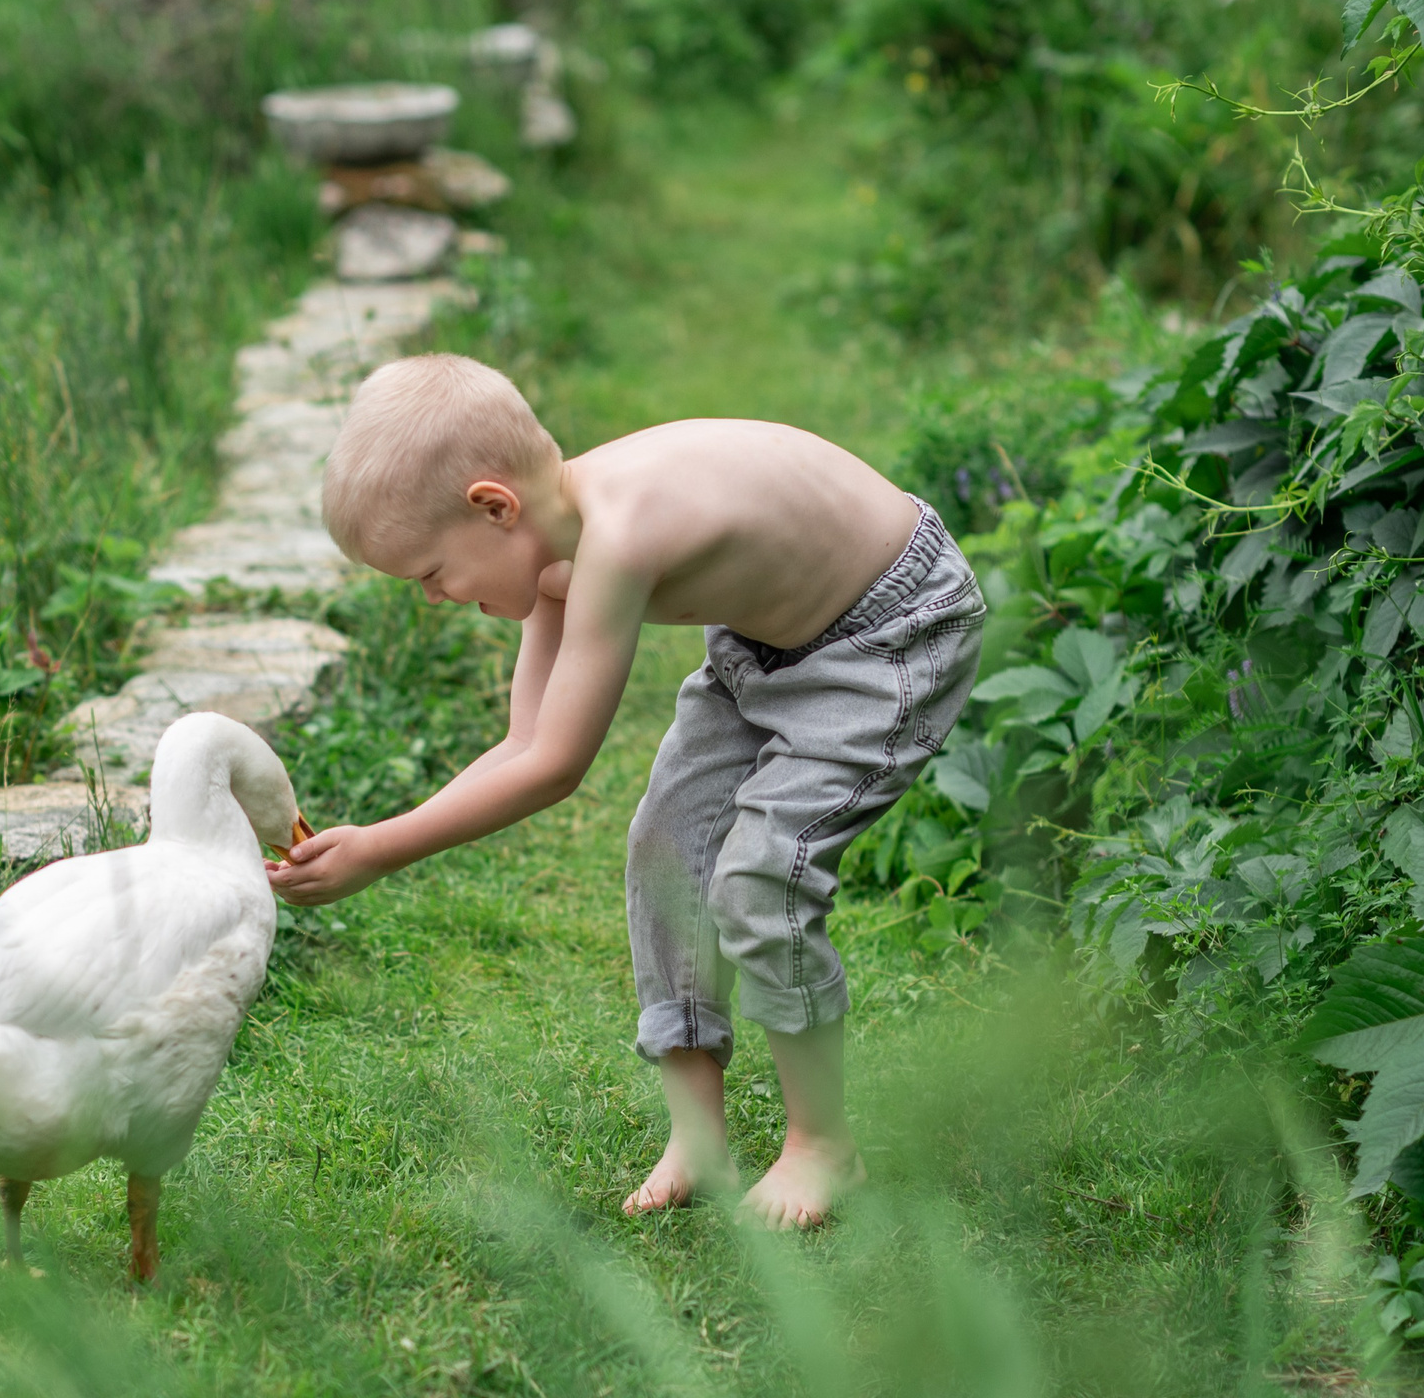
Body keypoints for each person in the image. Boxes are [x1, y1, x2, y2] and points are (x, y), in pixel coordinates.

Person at [269, 354, 983, 1227]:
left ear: (494, 507)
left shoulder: (619, 534)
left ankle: (822, 1146)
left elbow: (556, 767)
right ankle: (698, 1136)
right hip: (767, 645)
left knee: (761, 875)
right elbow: (522, 742)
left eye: (429, 573)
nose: (432, 598)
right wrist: (382, 830)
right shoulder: (553, 550)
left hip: (887, 633)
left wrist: (382, 850)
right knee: (666, 846)